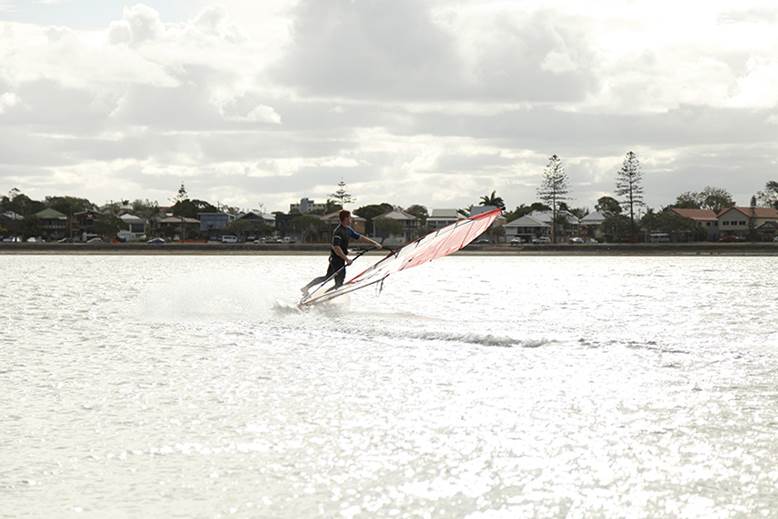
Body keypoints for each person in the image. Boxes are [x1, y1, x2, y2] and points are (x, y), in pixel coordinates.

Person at [301, 209, 381, 298]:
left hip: (338, 259)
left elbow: (360, 237)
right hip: (336, 260)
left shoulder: (348, 230)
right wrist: (346, 259)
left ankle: (312, 291)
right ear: (346, 218)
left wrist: (374, 243)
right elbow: (336, 247)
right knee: (338, 283)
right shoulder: (338, 231)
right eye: (350, 217)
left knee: (328, 277)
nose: (351, 219)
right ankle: (322, 297)